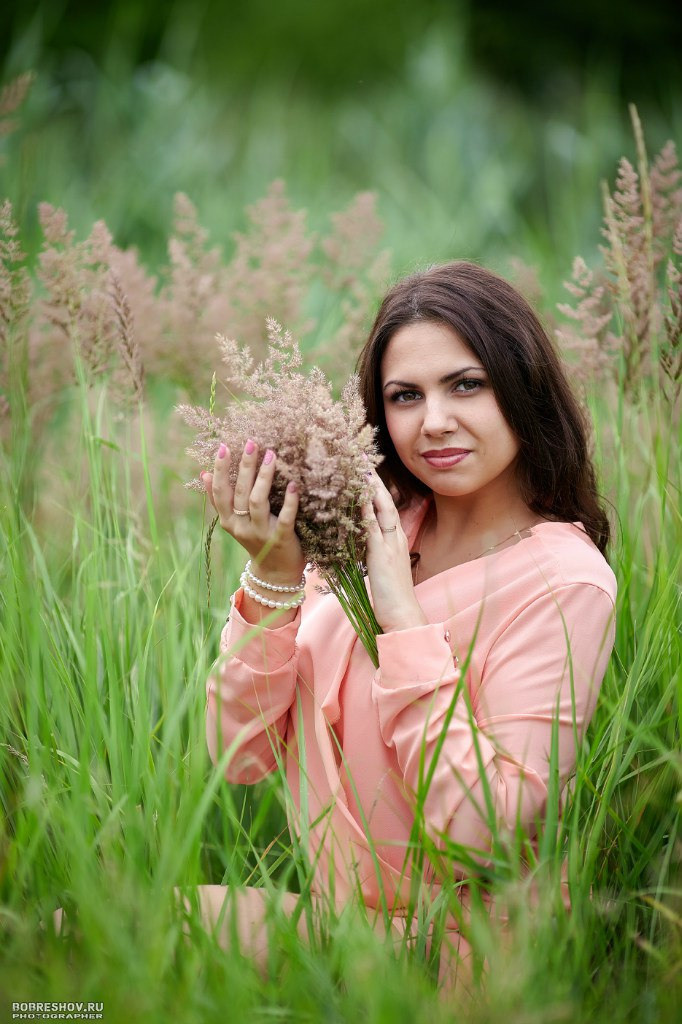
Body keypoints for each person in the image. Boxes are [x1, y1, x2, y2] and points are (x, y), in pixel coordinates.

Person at [195, 261, 617, 989]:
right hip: (342, 926)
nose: (434, 422)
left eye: (466, 384)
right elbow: (241, 758)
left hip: (465, 954)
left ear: (523, 387)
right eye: (405, 396)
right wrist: (274, 576)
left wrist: (401, 618)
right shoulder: (373, 525)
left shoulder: (563, 582)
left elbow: (482, 832)